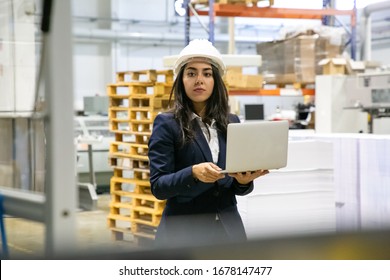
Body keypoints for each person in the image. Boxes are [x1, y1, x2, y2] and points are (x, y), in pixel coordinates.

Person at [148, 39, 269, 248]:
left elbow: (234, 189)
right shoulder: (167, 124)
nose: (199, 80)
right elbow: (159, 186)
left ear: (215, 81)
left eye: (207, 73)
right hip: (184, 235)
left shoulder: (231, 122)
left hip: (229, 232)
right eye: (191, 73)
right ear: (181, 80)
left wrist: (243, 180)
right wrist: (192, 173)